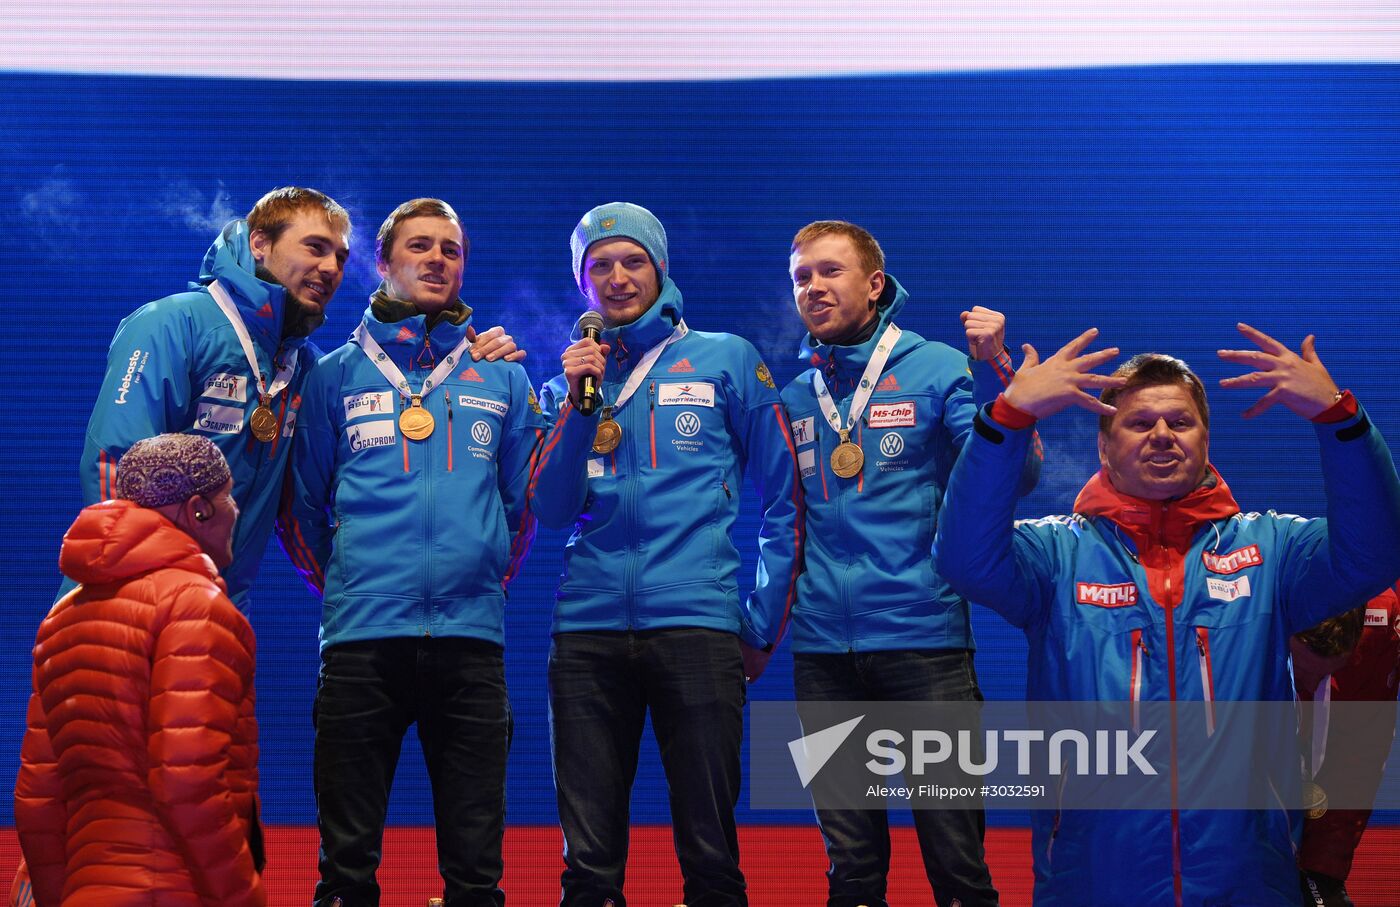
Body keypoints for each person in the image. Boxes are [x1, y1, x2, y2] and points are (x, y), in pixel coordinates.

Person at [934, 325, 1400, 906]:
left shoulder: (1272, 551)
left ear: (1206, 441)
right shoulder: (1056, 557)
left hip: (1249, 884)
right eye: (1138, 423)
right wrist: (1008, 419)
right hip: (1093, 884)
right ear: (1104, 446)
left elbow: (1375, 554)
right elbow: (963, 559)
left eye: (1180, 423)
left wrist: (1339, 420)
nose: (1161, 435)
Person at [529, 202, 804, 907]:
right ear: (582, 283)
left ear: (659, 268)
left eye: (633, 261)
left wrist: (762, 621)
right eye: (600, 266)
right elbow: (552, 509)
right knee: (587, 869)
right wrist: (579, 408)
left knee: (711, 856)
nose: (618, 278)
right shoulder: (565, 385)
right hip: (586, 630)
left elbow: (787, 497)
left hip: (697, 623)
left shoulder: (726, 358)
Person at [72, 186, 517, 610]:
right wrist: (146, 586)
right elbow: (117, 466)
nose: (330, 268)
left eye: (340, 257)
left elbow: (298, 506)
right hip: (125, 597)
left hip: (218, 608)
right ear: (260, 243)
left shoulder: (305, 367)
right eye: (315, 248)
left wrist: (458, 350)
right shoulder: (171, 324)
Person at [281, 198, 543, 907]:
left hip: (470, 643)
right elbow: (301, 507)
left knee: (476, 873)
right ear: (384, 262)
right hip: (363, 644)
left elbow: (519, 511)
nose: (436, 260)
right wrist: (352, 584)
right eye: (419, 246)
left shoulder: (503, 377)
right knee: (345, 869)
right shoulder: (331, 375)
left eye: (450, 250)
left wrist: (480, 576)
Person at [780, 220, 1040, 907]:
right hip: (821, 653)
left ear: (873, 284)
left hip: (924, 642)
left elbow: (1012, 478)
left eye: (830, 272)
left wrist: (1007, 380)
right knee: (852, 870)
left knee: (956, 863)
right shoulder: (797, 395)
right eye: (802, 277)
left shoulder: (938, 366)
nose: (813, 288)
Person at [15, 434, 262, 907]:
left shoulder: (60, 619)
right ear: (198, 510)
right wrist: (241, 897)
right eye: (227, 495)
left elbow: (37, 799)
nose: (235, 509)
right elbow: (186, 781)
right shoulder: (196, 606)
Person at [1292, 583, 1400, 907]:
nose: (1313, 683)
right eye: (1305, 673)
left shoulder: (1383, 626)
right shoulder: (1246, 604)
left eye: (1326, 673)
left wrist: (1323, 870)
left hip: (1331, 804)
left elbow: (1361, 755)